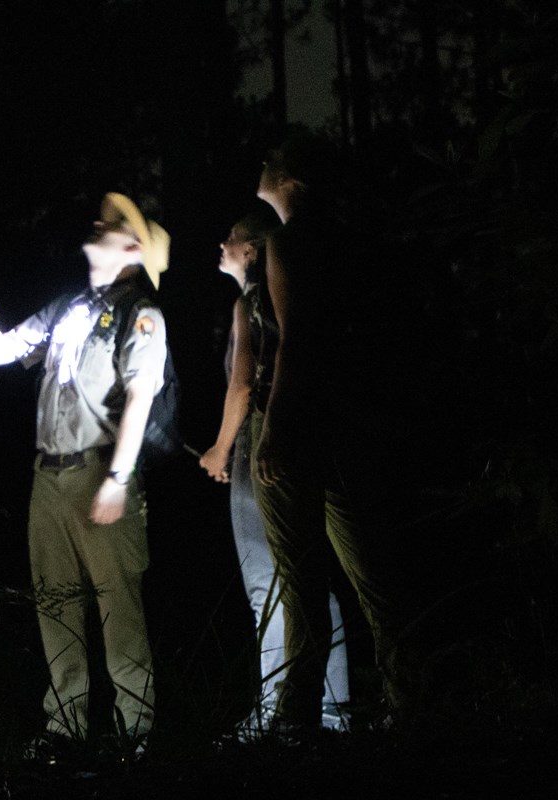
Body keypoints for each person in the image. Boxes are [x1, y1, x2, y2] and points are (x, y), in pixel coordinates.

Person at [0, 193, 171, 750]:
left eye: (116, 224)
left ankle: (134, 731)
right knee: (55, 603)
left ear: (134, 249)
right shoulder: (67, 306)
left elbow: (141, 397)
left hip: (99, 473)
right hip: (48, 477)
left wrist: (118, 479)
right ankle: (64, 727)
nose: (100, 223)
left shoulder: (142, 314)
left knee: (119, 607)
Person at [251, 138, 406, 733]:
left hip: (300, 425)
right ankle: (408, 702)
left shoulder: (286, 242)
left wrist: (276, 429)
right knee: (374, 579)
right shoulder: (347, 241)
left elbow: (297, 338)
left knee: (301, 583)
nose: (262, 164)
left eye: (270, 159)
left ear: (288, 177)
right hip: (346, 422)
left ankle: (295, 722)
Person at [198, 211, 350, 731]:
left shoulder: (248, 303)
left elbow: (242, 383)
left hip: (256, 452)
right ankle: (332, 706)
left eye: (233, 237)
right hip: (293, 443)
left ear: (255, 249)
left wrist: (219, 449)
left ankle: (279, 711)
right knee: (307, 579)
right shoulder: (283, 299)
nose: (223, 243)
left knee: (270, 584)